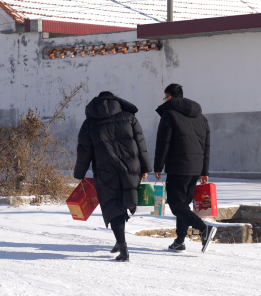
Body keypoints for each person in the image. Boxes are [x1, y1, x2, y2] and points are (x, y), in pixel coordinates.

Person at [74, 91, 152, 262]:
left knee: (113, 206)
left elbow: (84, 150)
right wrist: (145, 167)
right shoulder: (129, 117)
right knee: (123, 201)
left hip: (105, 170)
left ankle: (123, 248)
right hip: (131, 167)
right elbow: (141, 143)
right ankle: (119, 241)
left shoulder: (90, 123)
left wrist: (79, 173)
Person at [153, 83, 216, 253]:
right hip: (195, 168)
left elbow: (163, 142)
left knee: (175, 205)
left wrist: (158, 166)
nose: (164, 100)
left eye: (165, 97)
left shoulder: (169, 114)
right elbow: (206, 146)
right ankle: (179, 241)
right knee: (183, 205)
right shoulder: (200, 117)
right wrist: (204, 171)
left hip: (178, 167)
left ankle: (204, 229)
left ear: (170, 97)